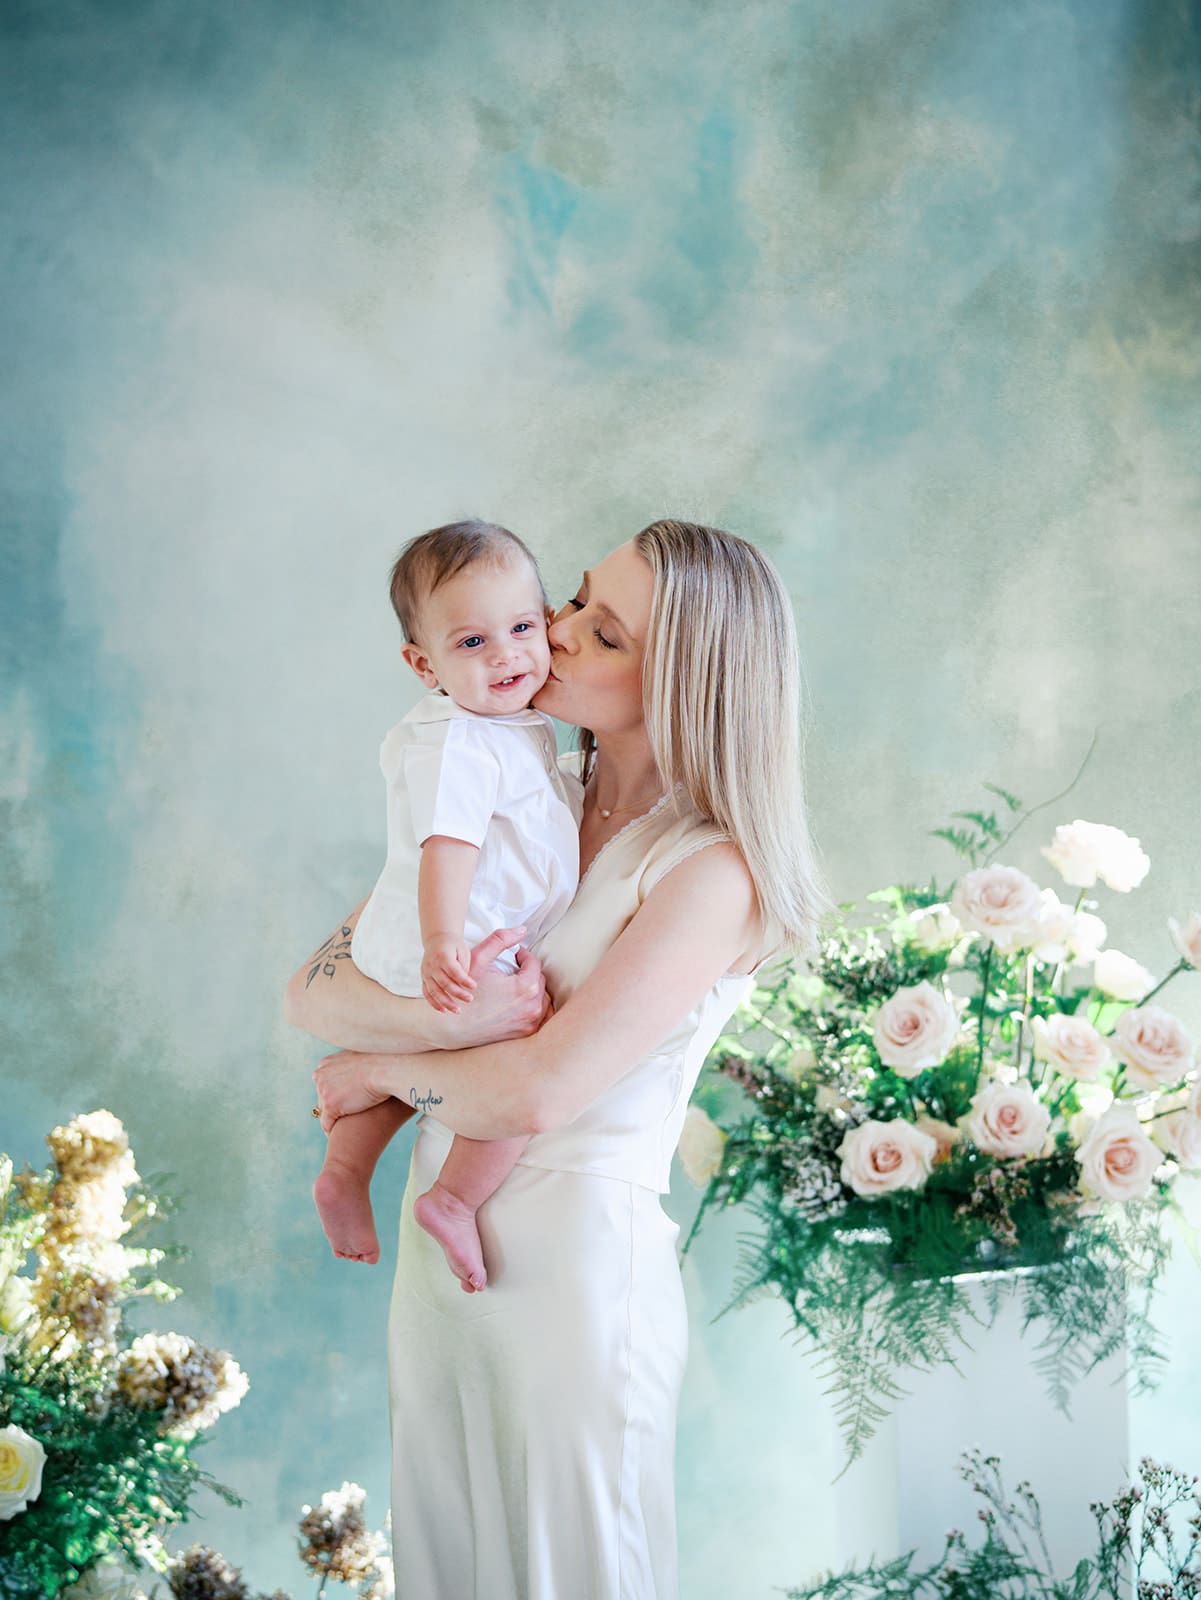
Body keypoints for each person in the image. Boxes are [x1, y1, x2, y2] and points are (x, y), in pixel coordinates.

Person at [285, 519, 834, 1600]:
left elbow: (542, 1085)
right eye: (576, 599)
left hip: (573, 1279)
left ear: (682, 680)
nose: (557, 633)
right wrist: (440, 1031)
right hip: (442, 1270)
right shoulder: (515, 775)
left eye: (606, 631)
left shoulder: (710, 869)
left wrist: (381, 1069)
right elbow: (311, 989)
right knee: (451, 1564)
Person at [312, 519, 581, 1289]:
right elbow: (447, 846)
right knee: (507, 1065)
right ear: (421, 663)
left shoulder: (498, 725)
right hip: (456, 942)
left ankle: (345, 1168)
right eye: (471, 643)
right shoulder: (463, 741)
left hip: (441, 935)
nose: (505, 654)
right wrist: (442, 945)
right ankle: (456, 1200)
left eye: (523, 626)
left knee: (429, 1064)